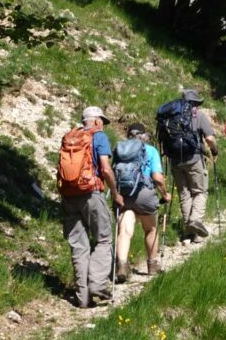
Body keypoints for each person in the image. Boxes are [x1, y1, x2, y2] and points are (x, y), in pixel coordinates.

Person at [58, 106, 122, 308]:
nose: (102, 124)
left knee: (79, 246)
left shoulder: (69, 137)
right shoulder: (99, 137)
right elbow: (105, 168)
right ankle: (96, 284)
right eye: (101, 120)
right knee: (104, 239)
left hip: (69, 195)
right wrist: (116, 193)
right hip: (92, 192)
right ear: (95, 121)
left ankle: (82, 297)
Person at [158, 89, 220, 244]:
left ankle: (189, 232)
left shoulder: (170, 116)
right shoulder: (198, 115)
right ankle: (195, 222)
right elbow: (210, 138)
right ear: (195, 103)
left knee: (184, 193)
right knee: (200, 192)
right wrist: (214, 150)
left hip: (174, 160)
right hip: (194, 158)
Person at [113, 123, 171, 281]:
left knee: (124, 231)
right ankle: (152, 266)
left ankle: (122, 265)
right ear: (144, 135)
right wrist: (165, 194)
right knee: (151, 229)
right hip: (143, 193)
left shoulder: (119, 149)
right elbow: (157, 178)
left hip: (123, 194)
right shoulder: (150, 150)